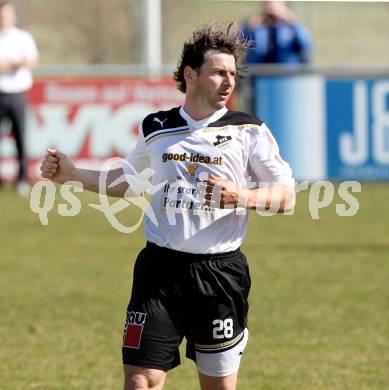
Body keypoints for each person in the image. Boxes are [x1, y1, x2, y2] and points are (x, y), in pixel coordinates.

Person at [40, 22, 295, 390]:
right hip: (159, 271)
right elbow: (130, 180)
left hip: (219, 275)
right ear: (190, 75)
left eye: (232, 74)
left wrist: (242, 197)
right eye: (218, 73)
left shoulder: (250, 130)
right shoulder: (156, 127)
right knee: (141, 380)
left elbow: (286, 195)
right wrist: (72, 173)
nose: (228, 81)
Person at [0, 1, 38, 195]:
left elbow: (32, 59)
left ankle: (22, 179)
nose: (4, 18)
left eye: (7, 14)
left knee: (21, 139)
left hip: (17, 94)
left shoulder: (23, 37)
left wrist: (14, 64)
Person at [241, 1, 312, 64]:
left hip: (286, 74)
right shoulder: (256, 26)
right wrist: (248, 27)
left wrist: (292, 22)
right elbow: (238, 42)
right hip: (258, 73)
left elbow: (306, 44)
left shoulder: (290, 27)